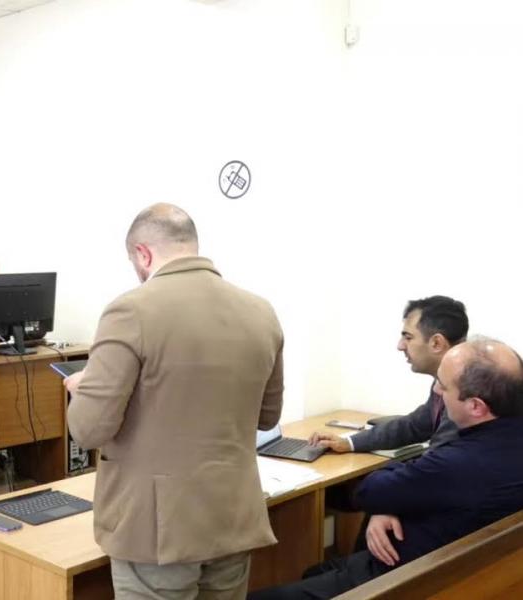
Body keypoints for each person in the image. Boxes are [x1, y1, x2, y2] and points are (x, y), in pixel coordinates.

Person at [66, 203, 285, 599]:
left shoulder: (130, 310)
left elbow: (88, 429)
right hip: (233, 515)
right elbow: (268, 416)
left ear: (143, 254)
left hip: (158, 529)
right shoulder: (261, 311)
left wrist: (82, 389)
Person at [250, 337, 523, 599]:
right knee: (316, 571)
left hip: (407, 581)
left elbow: (370, 490)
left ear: (476, 406)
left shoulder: (457, 462)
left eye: (443, 386)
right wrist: (394, 500)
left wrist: (390, 499)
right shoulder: (507, 439)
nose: (437, 392)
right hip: (476, 569)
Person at [309, 296, 468, 454]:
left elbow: (439, 460)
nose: (400, 346)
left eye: (408, 337)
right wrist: (349, 442)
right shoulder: (447, 380)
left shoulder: (464, 390)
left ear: (437, 343)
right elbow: (414, 426)